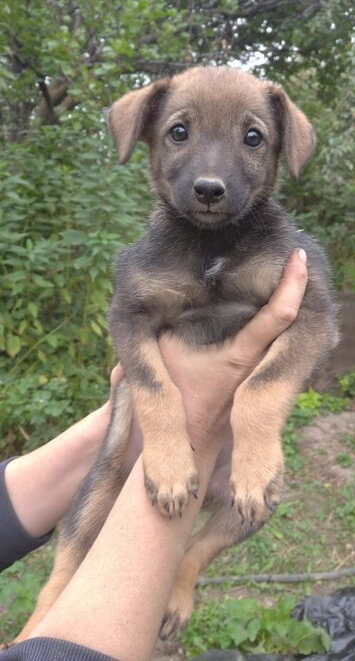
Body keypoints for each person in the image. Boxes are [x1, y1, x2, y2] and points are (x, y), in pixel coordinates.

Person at [0, 249, 308, 661]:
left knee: (257, 499)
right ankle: (53, 592)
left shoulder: (266, 248)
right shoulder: (158, 257)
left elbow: (315, 327)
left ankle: (191, 563)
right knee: (108, 466)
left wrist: (109, 422)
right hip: (166, 422)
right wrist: (193, 417)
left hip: (228, 450)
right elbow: (130, 318)